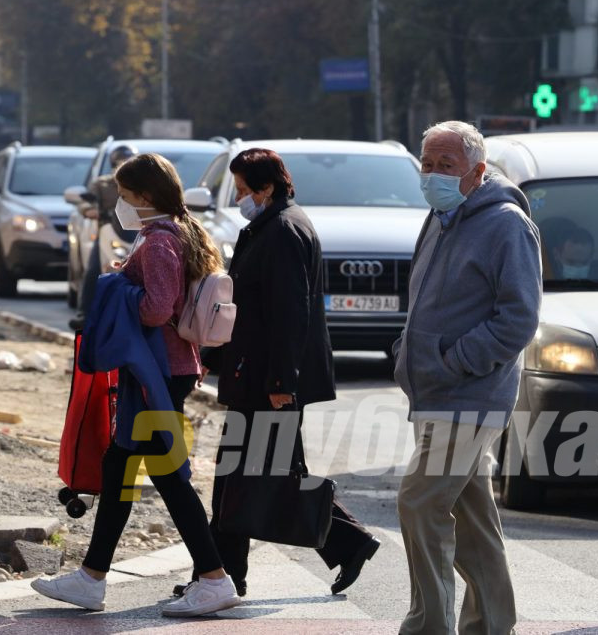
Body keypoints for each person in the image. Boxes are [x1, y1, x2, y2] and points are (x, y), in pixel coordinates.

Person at [33, 153, 241, 617]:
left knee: (165, 475)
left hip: (158, 370)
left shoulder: (160, 240)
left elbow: (155, 308)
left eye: (126, 197)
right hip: (164, 368)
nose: (122, 205)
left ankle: (214, 578)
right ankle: (92, 577)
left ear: (145, 197)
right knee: (120, 469)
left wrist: (116, 283)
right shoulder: (178, 231)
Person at [173, 148, 380, 599]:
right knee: (253, 475)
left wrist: (282, 383)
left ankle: (224, 574)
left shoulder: (284, 231)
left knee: (252, 477)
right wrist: (212, 358)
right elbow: (248, 313)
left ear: (267, 188)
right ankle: (226, 573)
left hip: (271, 383)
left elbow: (291, 315)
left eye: (246, 190)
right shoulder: (271, 225)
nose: (241, 198)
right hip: (259, 376)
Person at [393, 121, 542, 634]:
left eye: (446, 167)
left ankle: (427, 626)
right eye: (427, 165)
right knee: (473, 524)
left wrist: (452, 361)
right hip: (434, 390)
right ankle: (492, 624)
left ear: (477, 172)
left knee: (419, 502)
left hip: (470, 393)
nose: (432, 175)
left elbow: (518, 319)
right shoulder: (440, 216)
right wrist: (407, 355)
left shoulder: (504, 224)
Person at [69, 144, 137, 331]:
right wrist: (89, 210)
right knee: (92, 271)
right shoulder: (102, 183)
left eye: (128, 162)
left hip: (137, 234)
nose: (124, 166)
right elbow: (84, 202)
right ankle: (85, 312)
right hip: (109, 232)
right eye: (120, 162)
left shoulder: (142, 185)